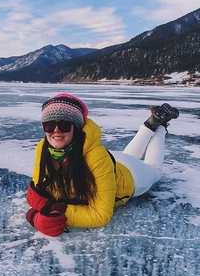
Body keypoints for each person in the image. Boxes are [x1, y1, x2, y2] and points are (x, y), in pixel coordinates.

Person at [26, 93, 179, 236]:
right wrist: (41, 211)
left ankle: (160, 126)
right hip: (115, 163)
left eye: (65, 125)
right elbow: (39, 193)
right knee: (129, 156)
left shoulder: (96, 157)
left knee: (155, 169)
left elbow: (100, 215)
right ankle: (151, 123)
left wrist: (54, 212)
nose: (56, 131)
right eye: (49, 125)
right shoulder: (43, 148)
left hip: (131, 178)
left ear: (76, 127)